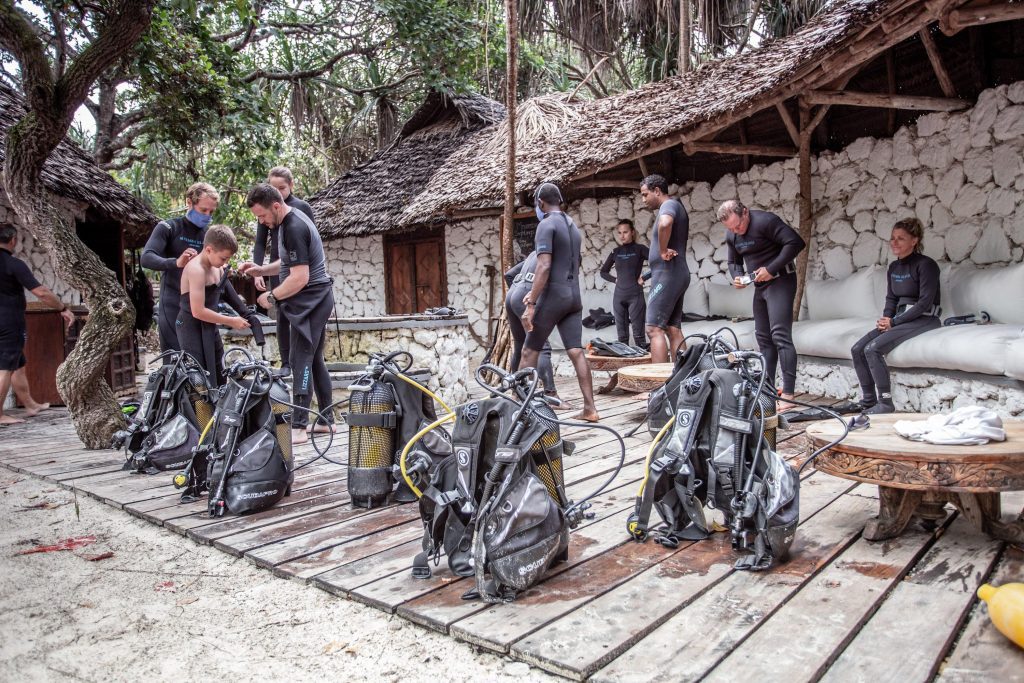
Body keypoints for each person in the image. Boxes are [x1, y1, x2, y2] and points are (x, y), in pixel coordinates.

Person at [240, 184, 334, 444]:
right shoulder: (287, 222)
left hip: (312, 299)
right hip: (315, 298)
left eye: (262, 216)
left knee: (300, 357)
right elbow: (291, 262)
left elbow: (300, 277)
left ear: (276, 206)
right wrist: (261, 271)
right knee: (314, 360)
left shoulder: (292, 227)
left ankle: (300, 427)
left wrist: (271, 297)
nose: (261, 221)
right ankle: (328, 421)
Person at [520, 182, 599, 423]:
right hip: (573, 295)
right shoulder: (572, 225)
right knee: (575, 351)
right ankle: (590, 408)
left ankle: (521, 409)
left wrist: (531, 302)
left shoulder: (546, 224)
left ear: (540, 203)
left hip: (554, 295)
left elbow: (544, 266)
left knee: (528, 350)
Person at [848, 218, 940, 415]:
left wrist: (894, 322)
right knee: (857, 349)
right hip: (899, 319)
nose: (894, 242)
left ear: (914, 241)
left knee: (873, 349)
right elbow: (891, 298)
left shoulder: (926, 265)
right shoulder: (894, 268)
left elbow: (925, 302)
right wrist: (885, 320)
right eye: (892, 238)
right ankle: (868, 400)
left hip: (924, 319)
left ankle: (885, 403)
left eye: (901, 238)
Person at [719, 200, 806, 409]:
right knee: (764, 338)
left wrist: (771, 268)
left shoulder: (766, 221)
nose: (736, 231)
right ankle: (767, 391)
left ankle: (789, 395)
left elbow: (796, 243)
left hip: (781, 280)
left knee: (780, 335)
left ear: (745, 213)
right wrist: (738, 277)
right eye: (731, 228)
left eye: (738, 226)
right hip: (760, 286)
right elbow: (733, 262)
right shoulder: (732, 233)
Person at [0, 224, 74, 425]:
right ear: (13, 240)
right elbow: (41, 292)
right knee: (6, 366)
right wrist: (62, 308)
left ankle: (30, 404)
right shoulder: (13, 264)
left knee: (18, 364)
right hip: (8, 322)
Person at [142, 182, 219, 353]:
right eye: (203, 210)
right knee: (176, 365)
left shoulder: (209, 235)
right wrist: (175, 263)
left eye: (211, 212)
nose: (207, 216)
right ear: (189, 203)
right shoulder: (169, 227)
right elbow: (147, 258)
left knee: (205, 367)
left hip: (200, 308)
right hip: (173, 306)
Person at [252, 167, 315, 373]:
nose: (279, 191)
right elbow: (260, 242)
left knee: (301, 311)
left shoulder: (301, 208)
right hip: (278, 265)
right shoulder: (265, 210)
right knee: (282, 312)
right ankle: (286, 362)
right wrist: (258, 270)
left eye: (282, 188)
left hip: (300, 265)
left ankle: (306, 359)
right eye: (273, 187)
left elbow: (313, 242)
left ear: (291, 185)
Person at [176, 225, 251, 386]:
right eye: (223, 258)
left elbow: (228, 296)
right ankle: (201, 412)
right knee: (199, 380)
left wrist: (247, 315)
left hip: (209, 328)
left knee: (219, 372)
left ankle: (219, 410)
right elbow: (198, 311)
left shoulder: (216, 267)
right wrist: (231, 321)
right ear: (209, 250)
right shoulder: (196, 269)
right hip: (191, 326)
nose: (225, 263)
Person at [640, 174, 689, 364]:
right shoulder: (675, 205)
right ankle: (683, 379)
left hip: (668, 275)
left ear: (657, 191)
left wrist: (661, 250)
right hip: (675, 274)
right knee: (672, 328)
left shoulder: (668, 206)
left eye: (645, 195)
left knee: (653, 329)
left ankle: (658, 386)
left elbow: (665, 223)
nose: (643, 200)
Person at [504, 251, 561, 406]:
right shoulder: (552, 254)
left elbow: (509, 274)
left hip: (512, 295)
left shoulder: (534, 254)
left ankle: (515, 391)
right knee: (542, 347)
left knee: (519, 345)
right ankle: (551, 395)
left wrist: (516, 291)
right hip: (525, 296)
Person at [600, 219, 648, 349]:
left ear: (632, 232)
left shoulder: (640, 249)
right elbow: (603, 272)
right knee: (622, 338)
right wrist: (615, 280)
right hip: (619, 297)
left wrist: (644, 277)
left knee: (639, 337)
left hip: (635, 296)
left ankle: (643, 367)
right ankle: (625, 367)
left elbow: (658, 262)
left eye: (625, 232)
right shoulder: (615, 252)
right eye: (619, 232)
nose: (622, 236)